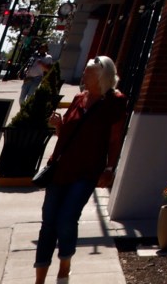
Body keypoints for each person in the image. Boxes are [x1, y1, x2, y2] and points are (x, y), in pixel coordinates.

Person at [34, 55, 129, 283]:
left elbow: (115, 139)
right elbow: (66, 133)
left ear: (102, 76)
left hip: (88, 170)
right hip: (61, 167)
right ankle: (40, 277)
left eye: (88, 72)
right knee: (48, 221)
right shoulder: (78, 98)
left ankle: (65, 263)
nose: (84, 75)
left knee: (67, 219)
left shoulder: (115, 101)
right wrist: (58, 126)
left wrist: (109, 168)